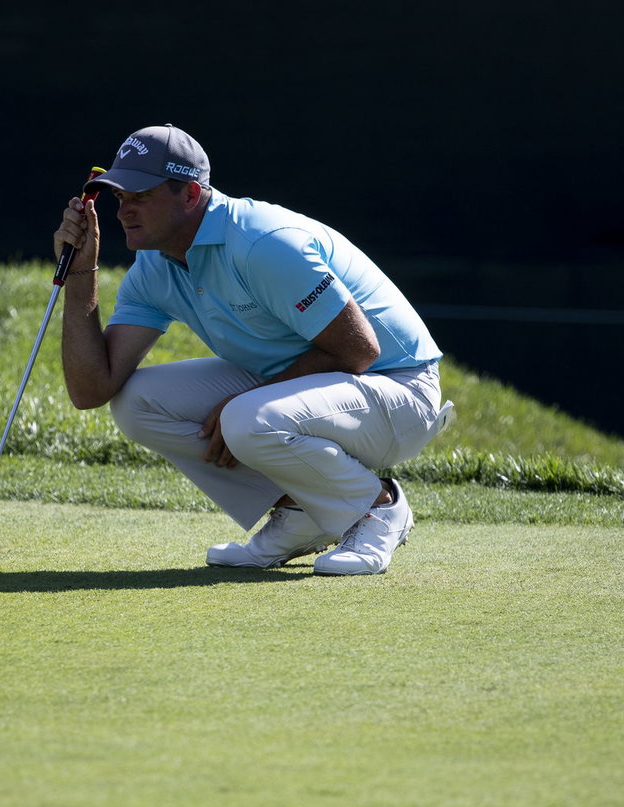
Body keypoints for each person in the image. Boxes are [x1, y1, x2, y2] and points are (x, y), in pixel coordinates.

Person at [53, 124, 453, 575]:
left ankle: (378, 506)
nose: (124, 211)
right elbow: (92, 388)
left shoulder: (262, 242)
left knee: (246, 418)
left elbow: (358, 349)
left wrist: (241, 403)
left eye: (140, 196)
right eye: (120, 197)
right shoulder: (154, 267)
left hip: (396, 390)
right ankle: (304, 511)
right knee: (135, 402)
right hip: (307, 389)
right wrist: (82, 271)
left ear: (188, 194)